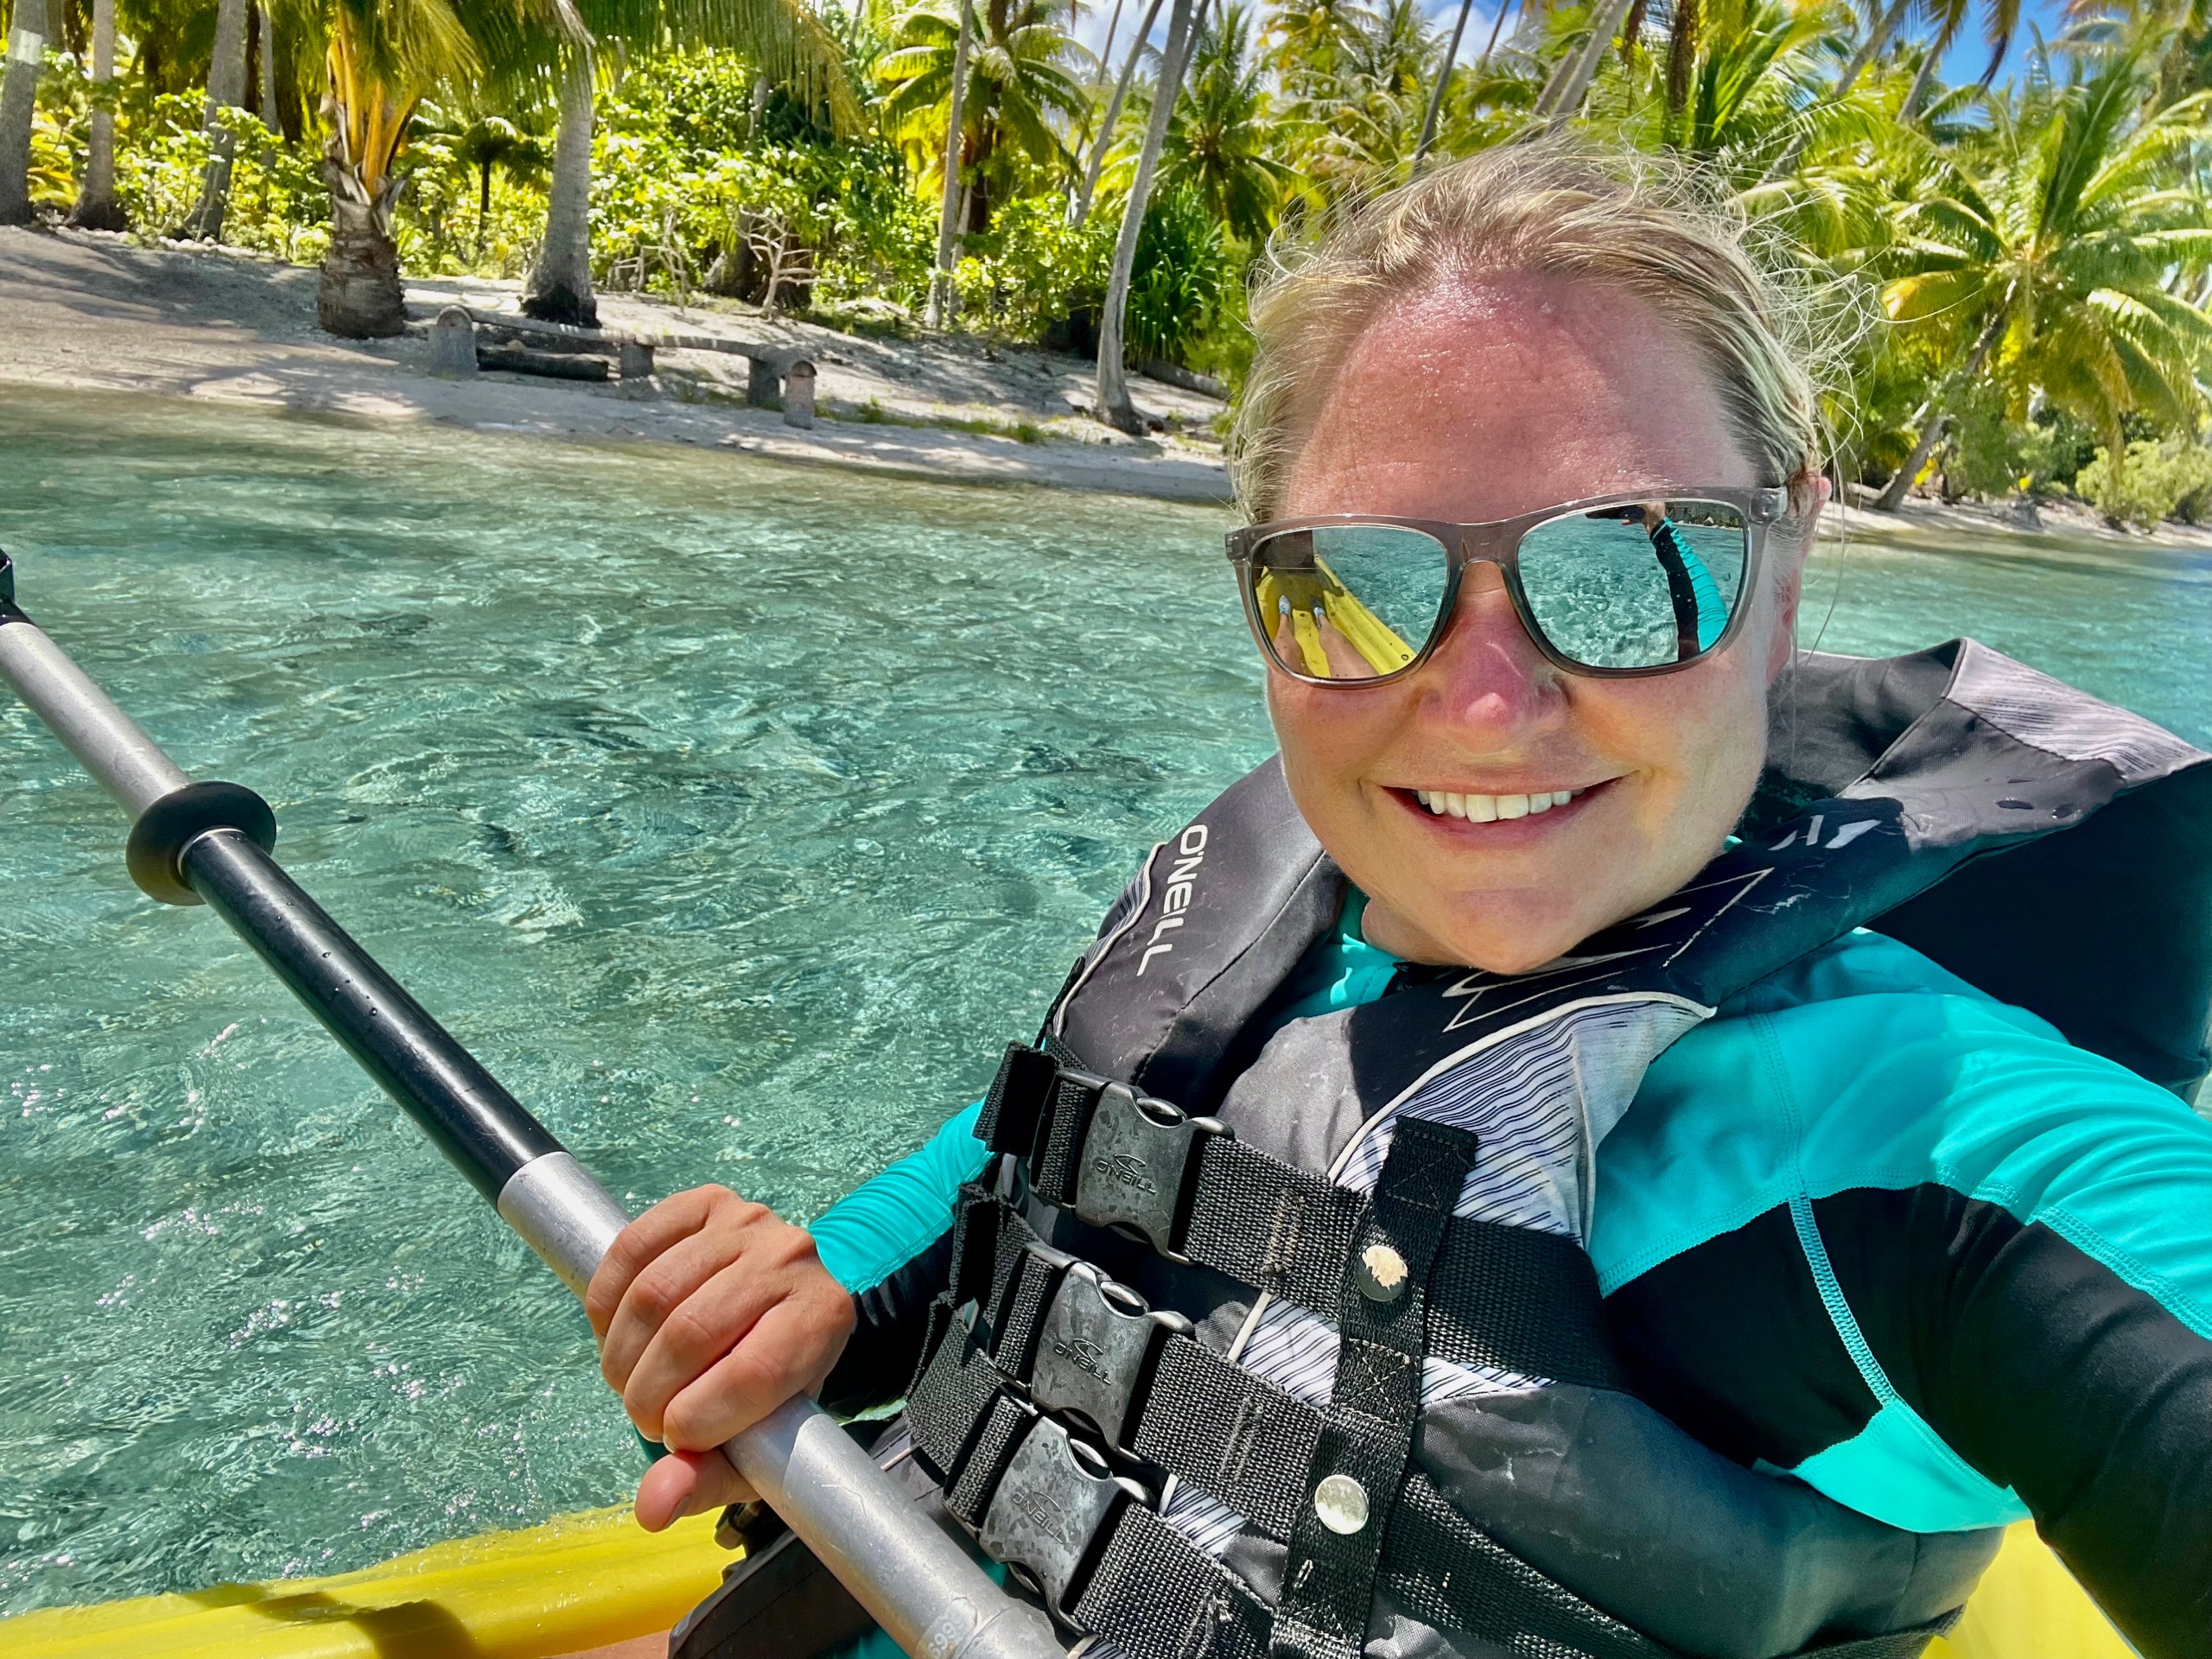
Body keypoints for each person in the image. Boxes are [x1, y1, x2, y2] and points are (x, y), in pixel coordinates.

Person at [584, 143, 2212, 1659]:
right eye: (1359, 583)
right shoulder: (1273, 926)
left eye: (1634, 565)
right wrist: (814, 1293)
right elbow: (1058, 1142)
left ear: (1783, 572)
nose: (1486, 708)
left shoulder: (1932, 1151)